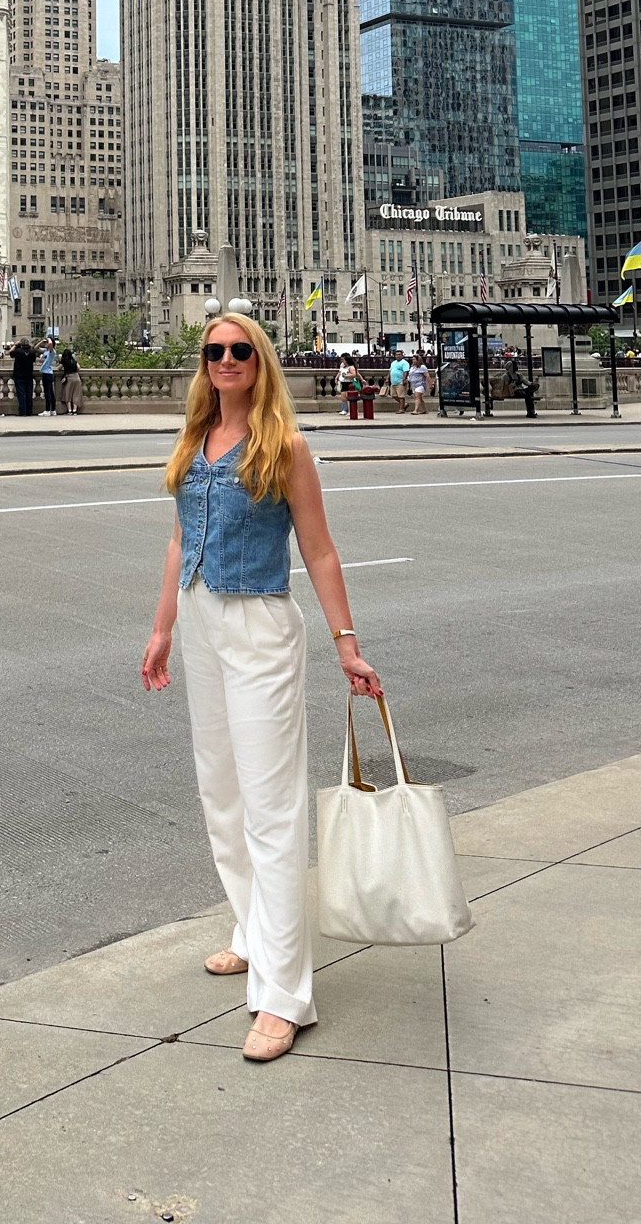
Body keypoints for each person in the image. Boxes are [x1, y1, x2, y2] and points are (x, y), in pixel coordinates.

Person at [141, 314, 383, 1064]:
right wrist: (161, 627)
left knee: (272, 808)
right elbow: (179, 539)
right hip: (201, 621)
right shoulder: (194, 439)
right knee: (222, 793)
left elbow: (319, 549)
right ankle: (251, 929)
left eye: (239, 350)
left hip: (260, 625)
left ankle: (284, 995)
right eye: (214, 351)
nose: (226, 360)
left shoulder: (286, 446)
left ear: (260, 361)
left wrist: (347, 644)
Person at [10, 336, 36, 417]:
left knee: (21, 394)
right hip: (29, 374)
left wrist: (15, 345)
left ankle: (22, 411)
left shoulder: (18, 351)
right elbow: (34, 360)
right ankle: (29, 411)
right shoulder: (32, 352)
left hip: (19, 375)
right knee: (29, 394)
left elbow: (10, 352)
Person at [61, 342, 84, 415]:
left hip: (69, 378)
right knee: (76, 394)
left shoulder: (64, 360)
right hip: (76, 377)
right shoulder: (73, 360)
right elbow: (79, 368)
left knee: (68, 394)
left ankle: (69, 410)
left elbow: (59, 368)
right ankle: (75, 410)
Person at [37, 338, 58, 415]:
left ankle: (47, 410)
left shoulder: (52, 352)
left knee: (47, 393)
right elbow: (36, 348)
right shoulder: (46, 351)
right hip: (47, 373)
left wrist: (49, 339)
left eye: (46, 343)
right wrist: (42, 341)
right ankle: (53, 410)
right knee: (51, 392)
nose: (46, 344)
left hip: (48, 373)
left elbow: (51, 344)